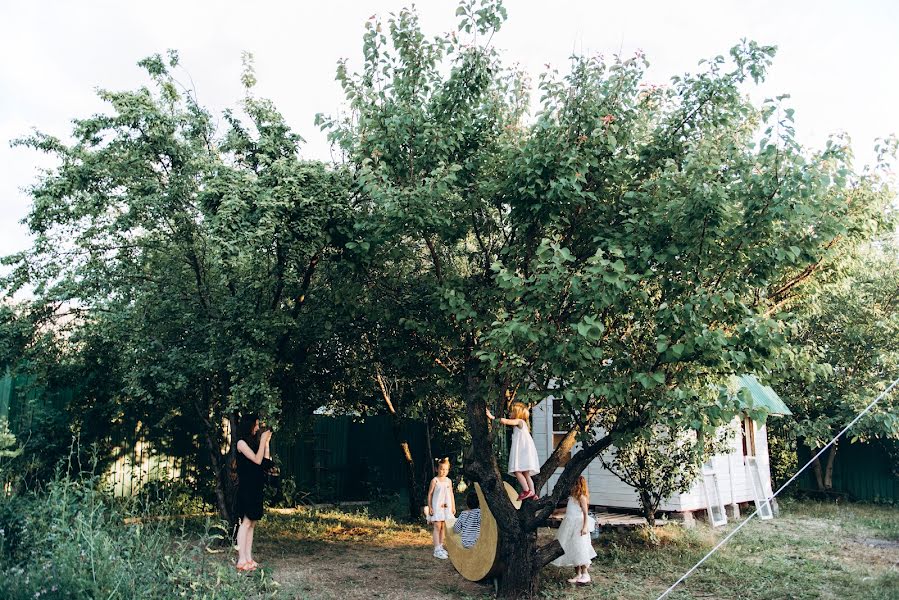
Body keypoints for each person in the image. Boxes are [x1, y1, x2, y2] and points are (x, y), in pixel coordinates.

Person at [235, 412, 273, 572]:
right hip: (247, 486)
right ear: (248, 424)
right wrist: (263, 440)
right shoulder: (241, 443)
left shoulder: (253, 443)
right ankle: (241, 559)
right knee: (245, 522)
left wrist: (266, 444)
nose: (257, 428)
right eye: (256, 424)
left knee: (253, 523)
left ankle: (249, 557)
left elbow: (265, 462)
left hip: (256, 485)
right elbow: (257, 460)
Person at [486, 402, 540, 500]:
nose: (509, 414)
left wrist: (492, 417)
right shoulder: (523, 425)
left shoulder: (519, 421)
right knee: (526, 473)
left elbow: (505, 421)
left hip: (522, 451)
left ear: (517, 414)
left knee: (517, 471)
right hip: (525, 452)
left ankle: (526, 490)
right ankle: (533, 493)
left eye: (512, 412)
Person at [551, 475, 596, 585]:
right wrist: (558, 511)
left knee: (580, 548)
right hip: (569, 525)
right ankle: (578, 574)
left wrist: (585, 527)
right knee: (572, 547)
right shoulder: (572, 498)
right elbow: (569, 508)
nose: (572, 486)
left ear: (579, 485)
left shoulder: (582, 497)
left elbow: (585, 513)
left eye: (574, 484)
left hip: (578, 525)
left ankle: (585, 574)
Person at [427, 457, 456, 559]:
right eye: (442, 469)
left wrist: (453, 505)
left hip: (446, 507)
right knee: (437, 526)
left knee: (443, 527)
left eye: (446, 469)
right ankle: (436, 549)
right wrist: (430, 506)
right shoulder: (435, 481)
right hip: (437, 507)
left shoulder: (448, 481)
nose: (444, 471)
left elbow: (451, 494)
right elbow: (430, 494)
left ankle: (441, 546)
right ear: (437, 469)